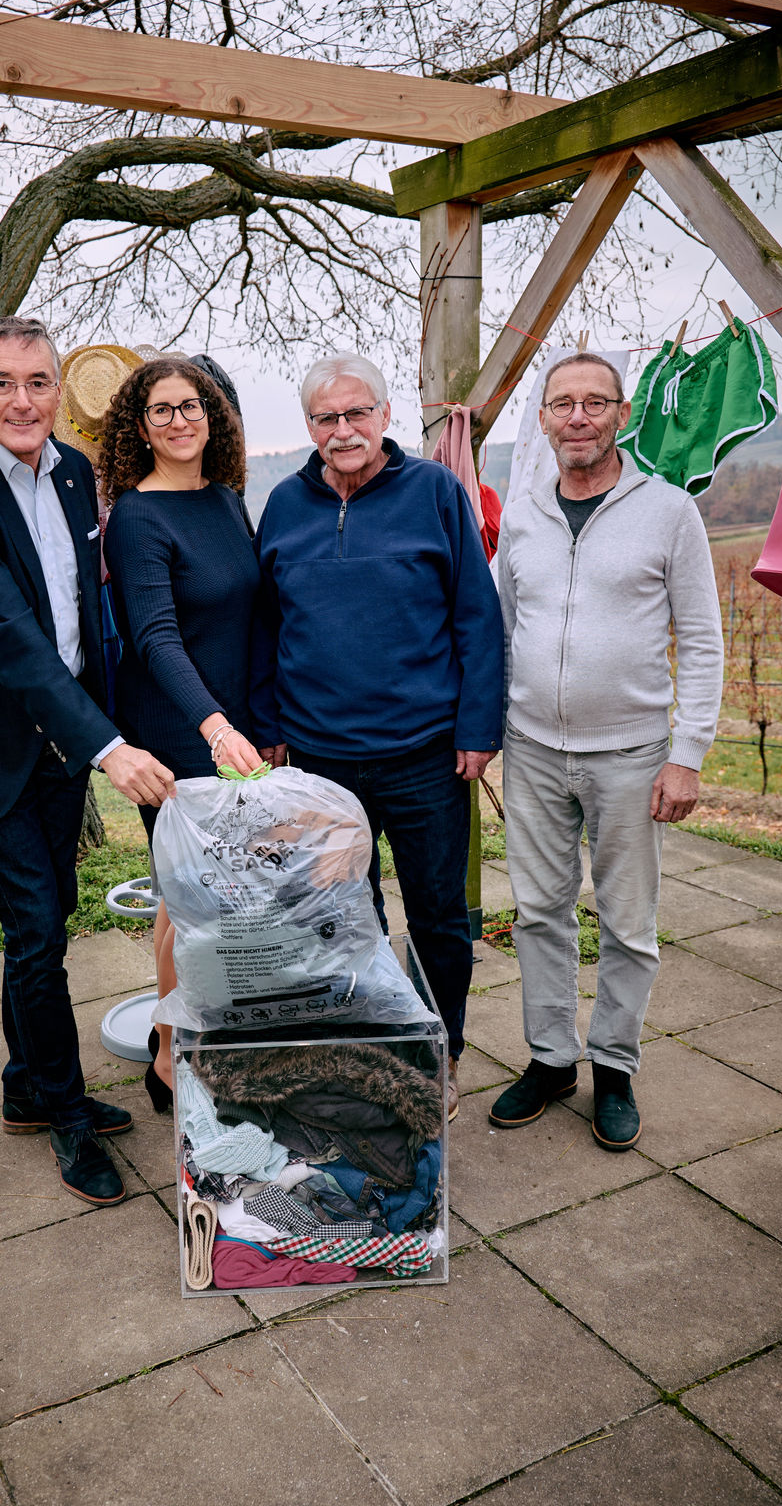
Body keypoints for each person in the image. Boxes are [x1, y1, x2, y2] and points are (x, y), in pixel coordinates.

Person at [0, 316, 175, 1208]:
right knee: (36, 934)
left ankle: (27, 1083)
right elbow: (10, 641)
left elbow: (79, 619)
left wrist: (109, 720)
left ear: (60, 391)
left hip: (62, 738)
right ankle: (62, 1113)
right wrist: (109, 746)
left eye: (38, 382)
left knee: (47, 912)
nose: (23, 401)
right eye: (2, 382)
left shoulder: (70, 472)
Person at [252, 353, 504, 1120]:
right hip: (321, 759)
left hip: (426, 752)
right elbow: (263, 630)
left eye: (356, 413)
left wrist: (477, 724)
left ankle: (440, 1050)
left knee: (437, 915)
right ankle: (370, 1046)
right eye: (326, 418)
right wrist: (268, 729)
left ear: (386, 415)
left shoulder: (433, 493)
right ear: (308, 428)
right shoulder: (283, 507)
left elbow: (476, 617)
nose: (343, 430)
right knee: (341, 916)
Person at [489, 351, 724, 1149]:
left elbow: (699, 638)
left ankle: (613, 1067)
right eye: (563, 404)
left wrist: (686, 751)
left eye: (595, 403)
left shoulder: (666, 511)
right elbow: (497, 627)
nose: (578, 417)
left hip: (629, 754)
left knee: (627, 922)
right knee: (538, 913)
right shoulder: (523, 513)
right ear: (545, 419)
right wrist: (483, 733)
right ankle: (551, 1059)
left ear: (619, 414)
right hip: (529, 750)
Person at [99, 357, 266, 1106]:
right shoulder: (136, 516)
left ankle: (212, 1033)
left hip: (237, 729)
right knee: (188, 898)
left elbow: (249, 619)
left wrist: (259, 726)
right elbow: (156, 638)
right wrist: (215, 728)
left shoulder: (227, 501)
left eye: (190, 406)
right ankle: (169, 1057)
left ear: (213, 415)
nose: (178, 420)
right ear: (139, 427)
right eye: (160, 409)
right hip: (177, 731)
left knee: (226, 897)